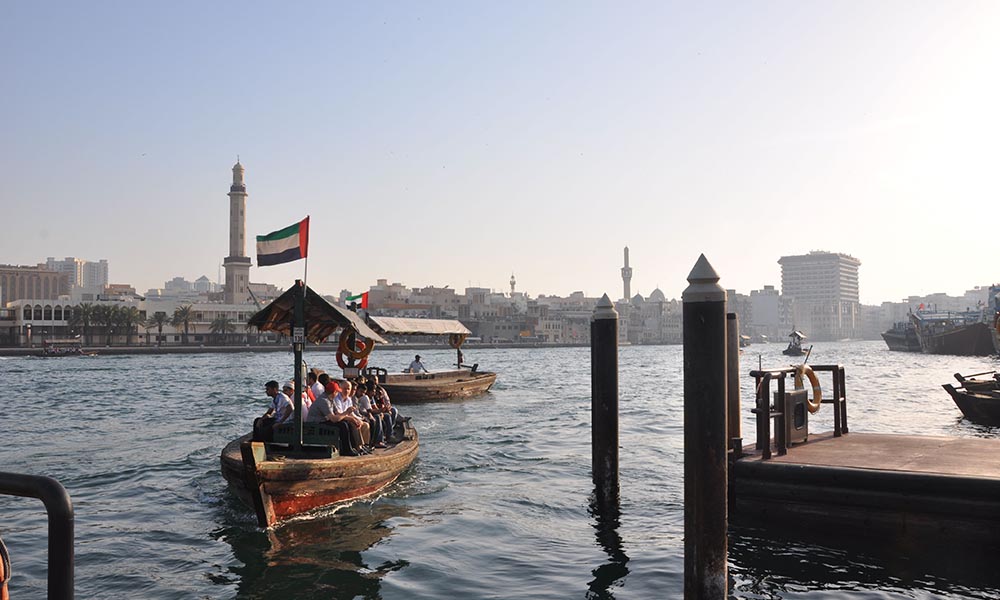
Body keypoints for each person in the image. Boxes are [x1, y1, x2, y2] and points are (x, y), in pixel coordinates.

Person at [306, 378, 363, 456]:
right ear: (334, 392)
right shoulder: (324, 400)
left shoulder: (331, 399)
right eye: (337, 392)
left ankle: (354, 447)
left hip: (324, 421)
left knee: (347, 422)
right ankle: (346, 450)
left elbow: (338, 414)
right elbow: (333, 419)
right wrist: (347, 412)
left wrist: (352, 419)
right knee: (343, 425)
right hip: (316, 425)